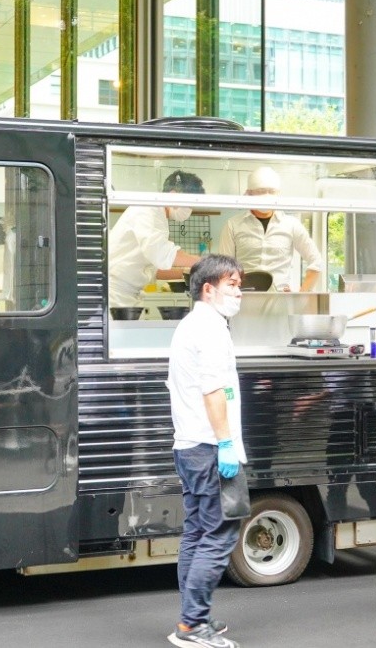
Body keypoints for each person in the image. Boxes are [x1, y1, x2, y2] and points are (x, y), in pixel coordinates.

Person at [165, 254, 246, 648]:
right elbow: (213, 390)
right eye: (232, 284)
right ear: (208, 288)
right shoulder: (210, 329)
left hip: (189, 445)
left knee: (197, 533)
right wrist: (227, 443)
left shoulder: (190, 325)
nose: (239, 291)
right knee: (219, 533)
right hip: (210, 446)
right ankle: (192, 626)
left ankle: (190, 618)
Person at [218, 166, 324, 292]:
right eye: (261, 191)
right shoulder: (233, 225)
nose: (267, 195)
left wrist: (301, 295)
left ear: (278, 193)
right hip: (244, 298)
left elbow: (316, 261)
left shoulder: (291, 224)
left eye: (272, 191)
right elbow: (223, 268)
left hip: (280, 300)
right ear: (249, 193)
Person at [108, 171, 204, 307]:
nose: (189, 210)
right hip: (115, 292)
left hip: (129, 294)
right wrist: (205, 262)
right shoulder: (146, 208)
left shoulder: (159, 218)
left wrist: (188, 272)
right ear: (173, 195)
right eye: (189, 204)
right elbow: (160, 252)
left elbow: (154, 270)